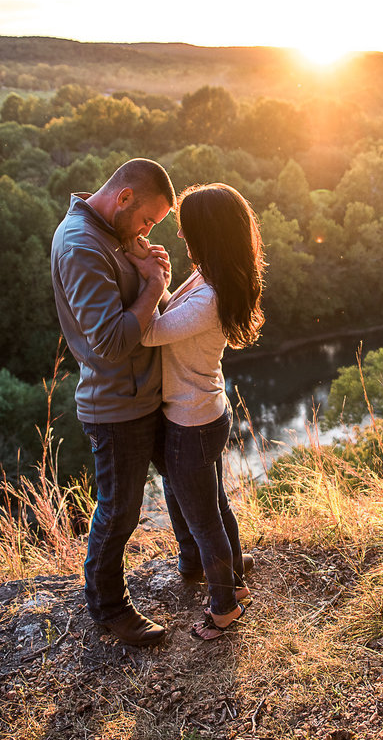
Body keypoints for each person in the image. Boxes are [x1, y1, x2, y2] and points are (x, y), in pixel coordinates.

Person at [50, 157, 196, 645]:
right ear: (124, 197)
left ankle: (199, 560)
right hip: (116, 405)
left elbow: (150, 316)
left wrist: (155, 273)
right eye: (149, 220)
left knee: (184, 479)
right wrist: (154, 285)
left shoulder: (112, 236)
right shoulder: (81, 245)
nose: (149, 230)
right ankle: (109, 608)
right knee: (120, 510)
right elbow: (111, 340)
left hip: (149, 393)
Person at [141, 183, 266, 640]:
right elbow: (176, 315)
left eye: (186, 229)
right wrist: (160, 279)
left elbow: (150, 333)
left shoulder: (208, 296)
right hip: (206, 412)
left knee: (203, 518)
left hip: (192, 420)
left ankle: (224, 608)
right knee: (214, 505)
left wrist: (151, 281)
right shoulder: (209, 278)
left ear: (205, 234)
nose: (181, 237)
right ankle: (233, 582)